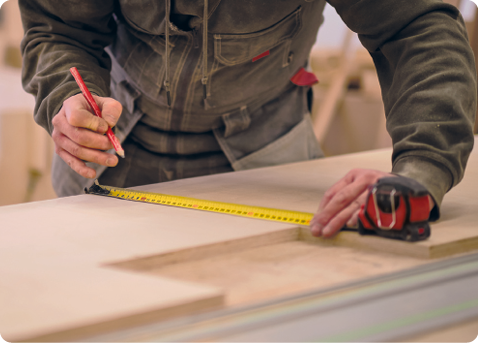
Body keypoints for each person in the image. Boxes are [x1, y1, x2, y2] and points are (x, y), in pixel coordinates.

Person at [19, 0, 476, 238]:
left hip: (266, 162)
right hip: (112, 158)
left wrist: (422, 170)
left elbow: (414, 29)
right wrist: (67, 95)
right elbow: (60, 29)